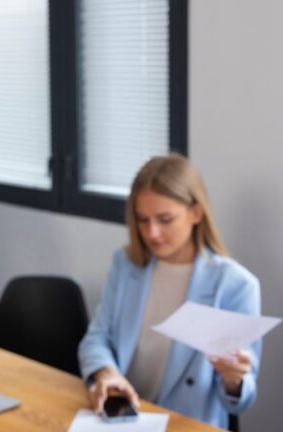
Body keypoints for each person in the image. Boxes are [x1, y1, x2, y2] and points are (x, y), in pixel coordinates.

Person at [77, 154, 261, 429]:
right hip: (123, 416)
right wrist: (108, 374)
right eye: (142, 219)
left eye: (165, 219)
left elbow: (240, 400)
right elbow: (97, 338)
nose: (152, 233)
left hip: (186, 423)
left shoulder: (236, 286)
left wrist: (234, 380)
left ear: (196, 212)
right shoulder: (126, 265)